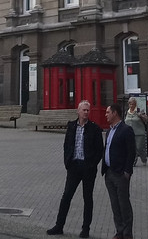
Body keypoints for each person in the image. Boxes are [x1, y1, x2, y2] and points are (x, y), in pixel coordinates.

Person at [47, 99, 103, 238]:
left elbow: (99, 150)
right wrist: (68, 162)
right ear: (78, 111)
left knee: (87, 198)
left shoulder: (95, 128)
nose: (86, 112)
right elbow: (67, 145)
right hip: (74, 166)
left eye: (87, 110)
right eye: (83, 110)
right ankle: (59, 225)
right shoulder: (72, 126)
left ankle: (86, 229)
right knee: (66, 196)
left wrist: (92, 164)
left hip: (88, 168)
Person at [102, 102, 136, 239]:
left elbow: (131, 152)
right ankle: (119, 231)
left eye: (107, 112)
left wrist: (127, 172)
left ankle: (127, 234)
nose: (106, 115)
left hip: (120, 174)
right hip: (109, 173)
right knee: (115, 205)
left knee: (124, 204)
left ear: (115, 113)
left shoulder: (126, 130)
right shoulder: (109, 131)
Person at [124, 97, 148, 164]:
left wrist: (141, 116)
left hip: (139, 133)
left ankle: (144, 159)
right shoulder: (127, 112)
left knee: (139, 148)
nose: (131, 106)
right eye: (130, 104)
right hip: (129, 134)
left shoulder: (139, 110)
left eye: (133, 104)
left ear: (135, 104)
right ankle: (133, 161)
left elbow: (146, 120)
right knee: (132, 148)